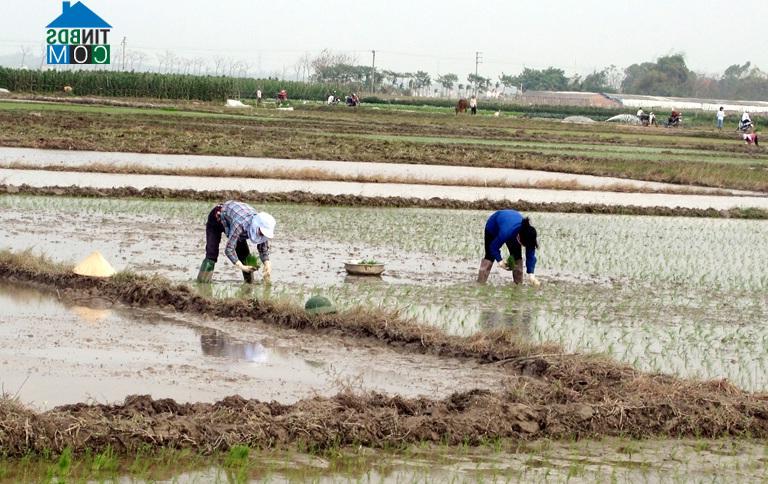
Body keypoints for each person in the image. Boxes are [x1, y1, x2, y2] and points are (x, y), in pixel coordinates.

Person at [197, 201, 275, 284]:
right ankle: (202, 284)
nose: (261, 235)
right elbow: (229, 249)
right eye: (261, 232)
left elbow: (263, 249)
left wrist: (267, 263)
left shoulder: (262, 229)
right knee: (211, 254)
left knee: (245, 257)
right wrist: (241, 266)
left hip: (233, 220)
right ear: (256, 225)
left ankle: (249, 284)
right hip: (217, 218)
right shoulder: (240, 224)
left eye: (264, 234)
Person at [477, 210, 539, 286]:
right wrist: (500, 261)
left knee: (517, 258)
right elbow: (493, 247)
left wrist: (531, 274)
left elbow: (531, 256)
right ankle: (480, 284)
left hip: (511, 224)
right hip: (493, 227)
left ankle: (518, 286)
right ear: (519, 237)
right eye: (523, 244)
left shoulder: (529, 235)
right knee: (489, 256)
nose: (524, 247)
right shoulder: (506, 232)